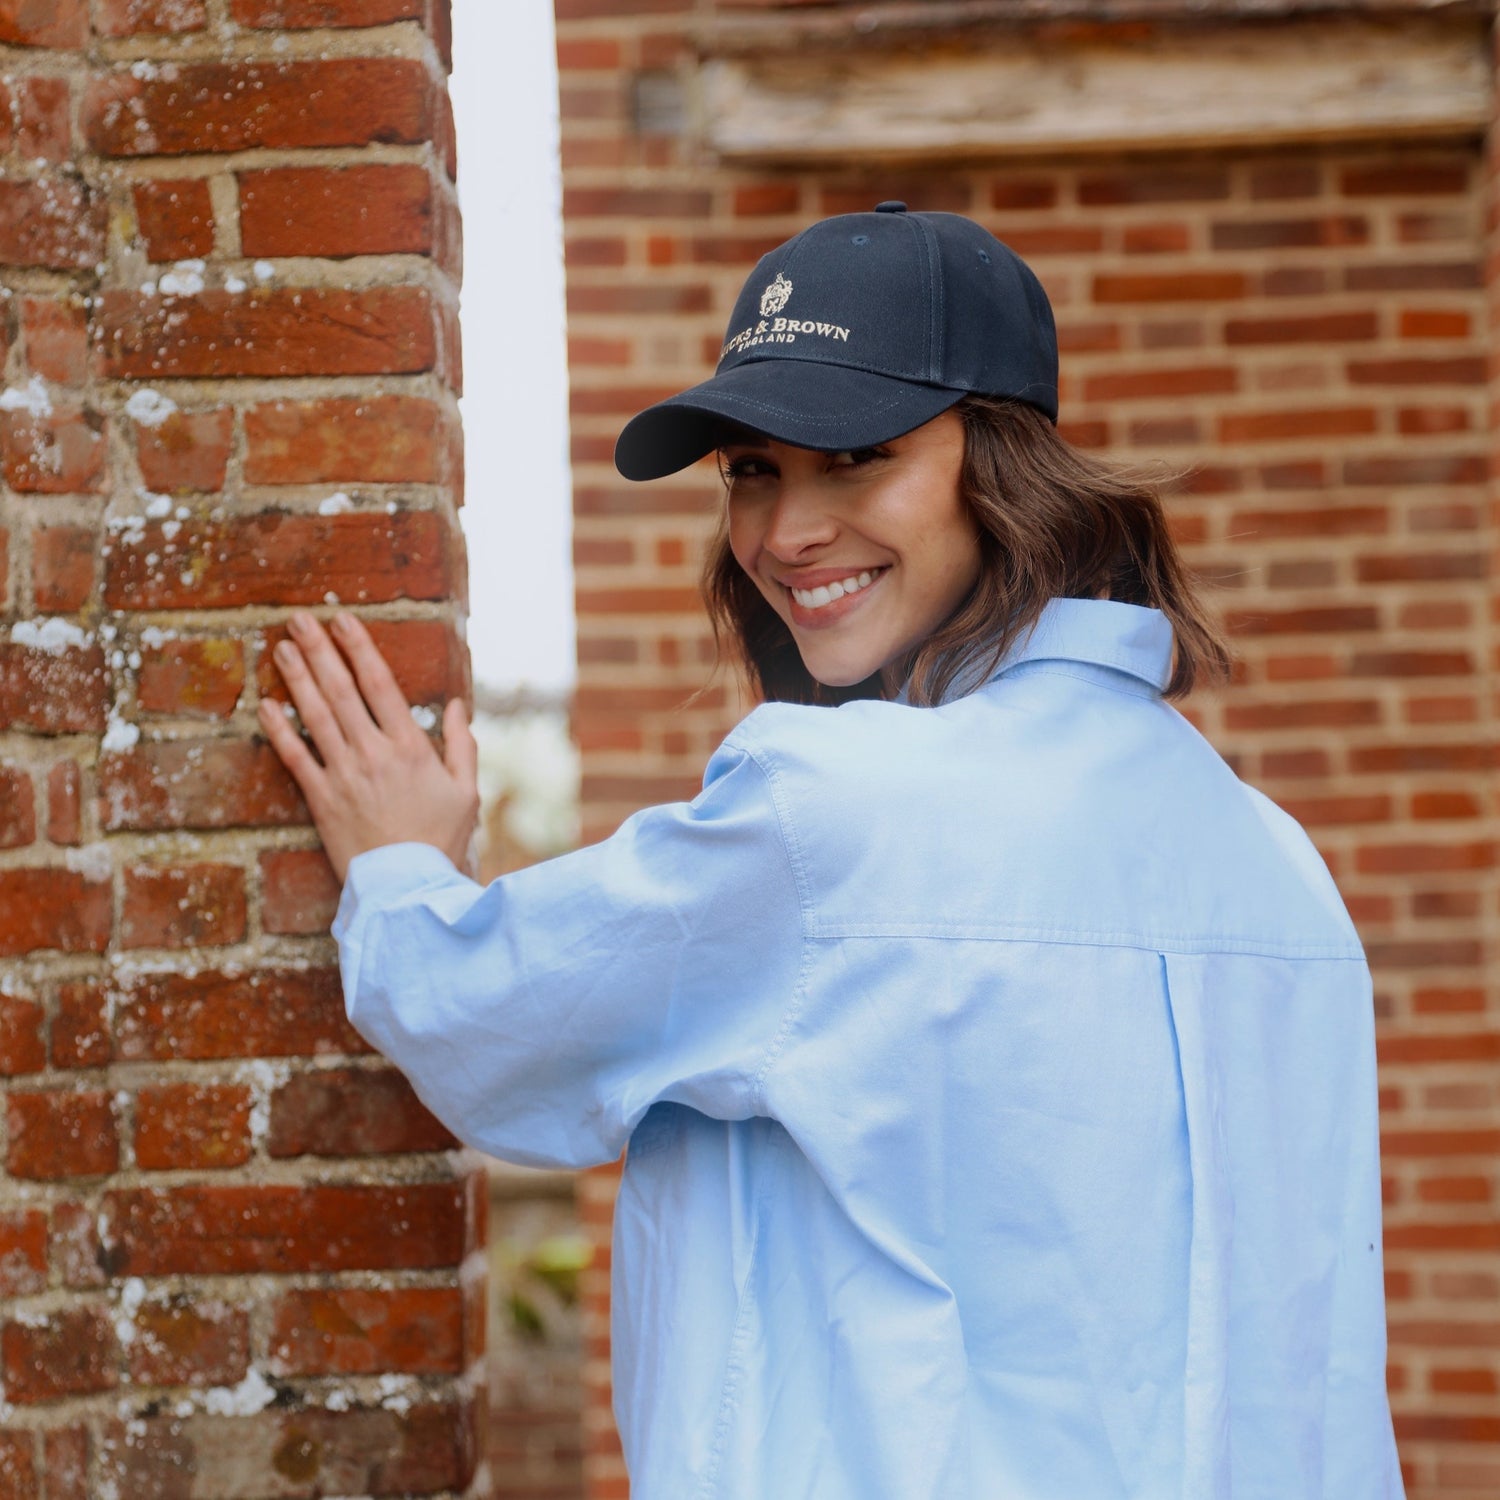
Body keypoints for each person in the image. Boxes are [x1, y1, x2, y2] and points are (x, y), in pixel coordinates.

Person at [258, 204, 1404, 1499]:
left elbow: (484, 1020)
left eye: (856, 456)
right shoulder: (1278, 865)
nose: (787, 532)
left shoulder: (835, 815)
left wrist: (404, 870)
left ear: (1003, 464)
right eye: (753, 469)